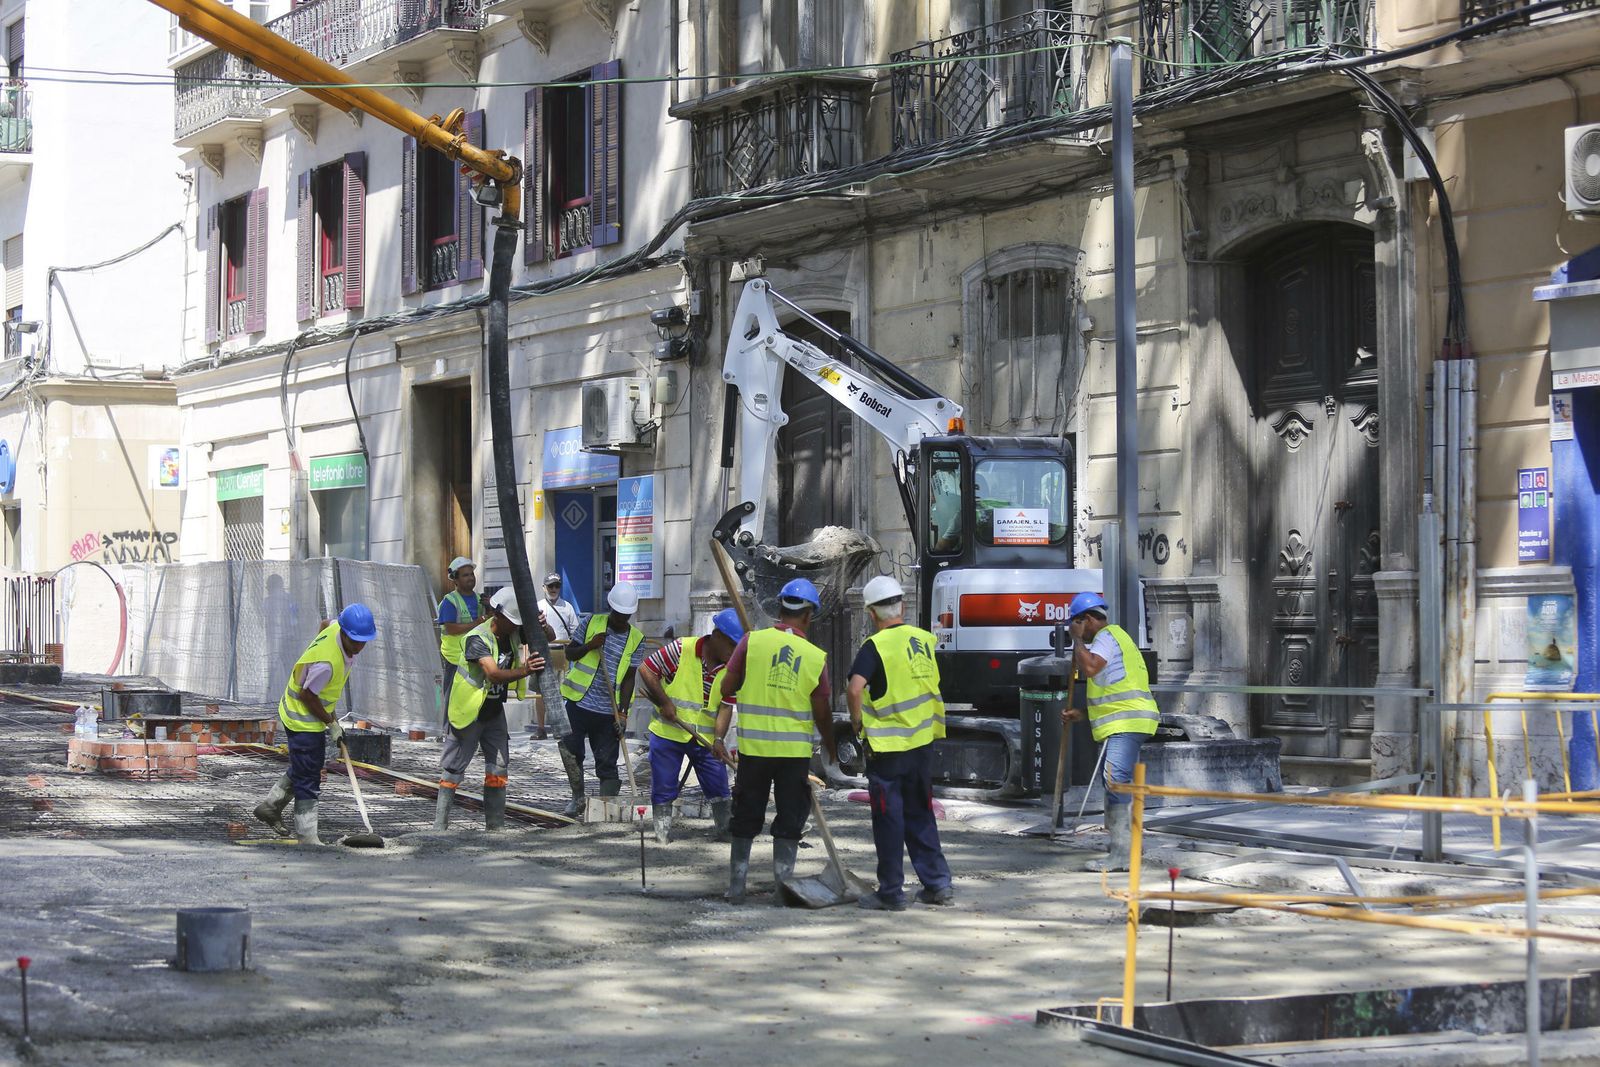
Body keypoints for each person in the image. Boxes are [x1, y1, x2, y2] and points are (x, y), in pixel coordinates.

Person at [713, 578, 838, 904]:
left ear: (780, 609)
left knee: (745, 817)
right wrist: (831, 745)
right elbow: (822, 711)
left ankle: (736, 889)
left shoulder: (751, 642)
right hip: (793, 755)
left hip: (754, 751)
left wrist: (749, 675)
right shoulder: (815, 657)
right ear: (808, 616)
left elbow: (726, 687)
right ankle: (783, 891)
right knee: (790, 820)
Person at [846, 575, 954, 910]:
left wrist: (857, 722)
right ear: (902, 607)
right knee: (921, 812)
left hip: (888, 749)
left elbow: (854, 688)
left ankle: (891, 892)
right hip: (922, 743)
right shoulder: (924, 640)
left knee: (889, 818)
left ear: (871, 613)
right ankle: (937, 884)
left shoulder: (875, 647)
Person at [252, 604, 378, 845]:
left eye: (364, 641)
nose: (359, 646)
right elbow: (307, 696)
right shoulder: (327, 664)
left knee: (306, 764)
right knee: (309, 777)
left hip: (305, 712)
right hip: (302, 717)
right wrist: (331, 723)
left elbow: (325, 624)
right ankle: (307, 837)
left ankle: (270, 806)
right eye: (355, 641)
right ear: (345, 633)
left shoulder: (335, 627)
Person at [1060, 592, 1160, 872]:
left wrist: (1077, 641)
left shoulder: (1105, 637)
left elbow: (1091, 667)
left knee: (1116, 781)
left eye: (1077, 624)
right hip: (1129, 719)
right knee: (1119, 783)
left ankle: (1122, 855)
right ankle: (1127, 846)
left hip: (1128, 721)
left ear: (1087, 620)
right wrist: (1081, 714)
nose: (1076, 630)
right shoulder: (1117, 637)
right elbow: (1113, 692)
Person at [436, 587, 544, 831]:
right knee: (453, 769)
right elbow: (493, 674)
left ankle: (495, 829)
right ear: (498, 615)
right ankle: (439, 828)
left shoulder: (512, 632)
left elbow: (546, 637)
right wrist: (525, 670)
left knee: (498, 768)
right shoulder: (477, 638)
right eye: (513, 622)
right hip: (469, 712)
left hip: (494, 711)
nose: (516, 627)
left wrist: (542, 625)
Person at [637, 608, 744, 844]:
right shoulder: (682, 649)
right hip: (668, 733)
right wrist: (665, 702)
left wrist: (719, 740)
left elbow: (725, 706)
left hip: (705, 739)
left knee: (718, 784)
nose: (735, 652)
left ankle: (725, 829)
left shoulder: (733, 669)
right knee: (664, 784)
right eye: (732, 645)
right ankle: (662, 833)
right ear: (717, 636)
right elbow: (646, 669)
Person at [557, 581, 646, 816]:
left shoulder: (636, 638)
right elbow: (570, 653)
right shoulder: (591, 623)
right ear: (611, 608)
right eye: (618, 614)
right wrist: (590, 645)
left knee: (607, 761)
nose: (621, 620)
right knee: (572, 752)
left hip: (609, 711)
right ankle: (577, 799)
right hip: (579, 703)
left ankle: (607, 807)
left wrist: (623, 713)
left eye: (625, 616)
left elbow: (629, 678)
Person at [533, 573, 580, 740]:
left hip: (561, 651)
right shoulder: (537, 606)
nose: (553, 589)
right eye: (550, 586)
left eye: (557, 586)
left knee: (562, 691)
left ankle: (561, 727)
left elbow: (575, 631)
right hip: (542, 651)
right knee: (540, 692)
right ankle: (540, 728)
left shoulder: (567, 607)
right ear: (544, 587)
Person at [437, 557, 482, 729]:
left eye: (471, 574)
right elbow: (450, 628)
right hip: (455, 657)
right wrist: (476, 623)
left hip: (475, 655)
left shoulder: (479, 599)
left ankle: (472, 728)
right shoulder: (450, 601)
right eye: (465, 575)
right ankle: (448, 731)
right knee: (452, 694)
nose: (470, 578)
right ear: (455, 580)